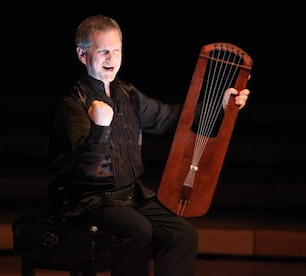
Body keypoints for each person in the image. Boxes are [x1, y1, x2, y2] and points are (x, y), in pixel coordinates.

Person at [48, 14, 251, 276]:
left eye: (117, 51)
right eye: (103, 51)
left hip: (131, 196)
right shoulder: (72, 104)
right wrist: (100, 127)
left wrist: (220, 107)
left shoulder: (127, 94)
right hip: (90, 200)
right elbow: (88, 170)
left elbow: (170, 117)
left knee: (182, 234)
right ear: (82, 54)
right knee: (138, 230)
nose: (111, 58)